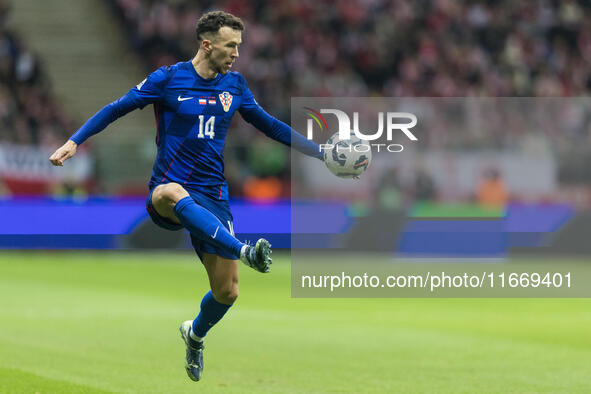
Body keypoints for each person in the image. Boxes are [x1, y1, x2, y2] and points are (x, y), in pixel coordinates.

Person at [49, 10, 323, 382]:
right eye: (231, 46)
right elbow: (117, 108)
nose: (237, 53)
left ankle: (194, 334)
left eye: (239, 46)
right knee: (173, 192)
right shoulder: (168, 78)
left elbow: (271, 126)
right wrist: (74, 141)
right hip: (166, 189)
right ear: (207, 44)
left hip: (213, 195)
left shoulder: (235, 86)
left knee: (227, 292)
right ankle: (243, 249)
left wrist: (321, 152)